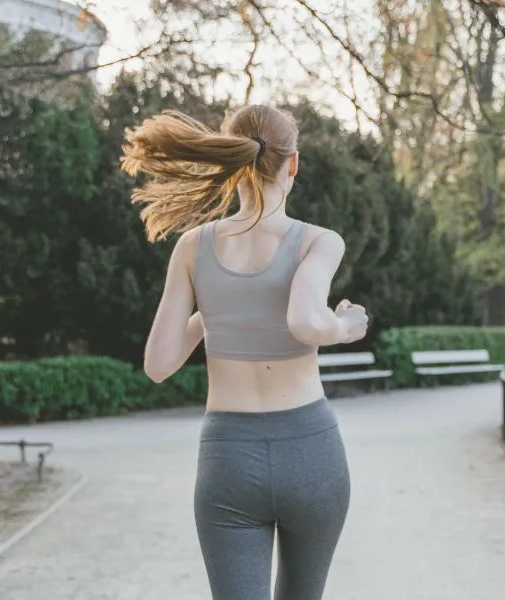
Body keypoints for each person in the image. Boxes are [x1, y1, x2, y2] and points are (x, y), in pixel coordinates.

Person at [120, 105, 369, 600]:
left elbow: (158, 364)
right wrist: (345, 326)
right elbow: (305, 320)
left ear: (229, 161)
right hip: (311, 452)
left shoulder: (192, 246)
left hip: (228, 458)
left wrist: (214, 310)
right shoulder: (318, 241)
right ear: (292, 163)